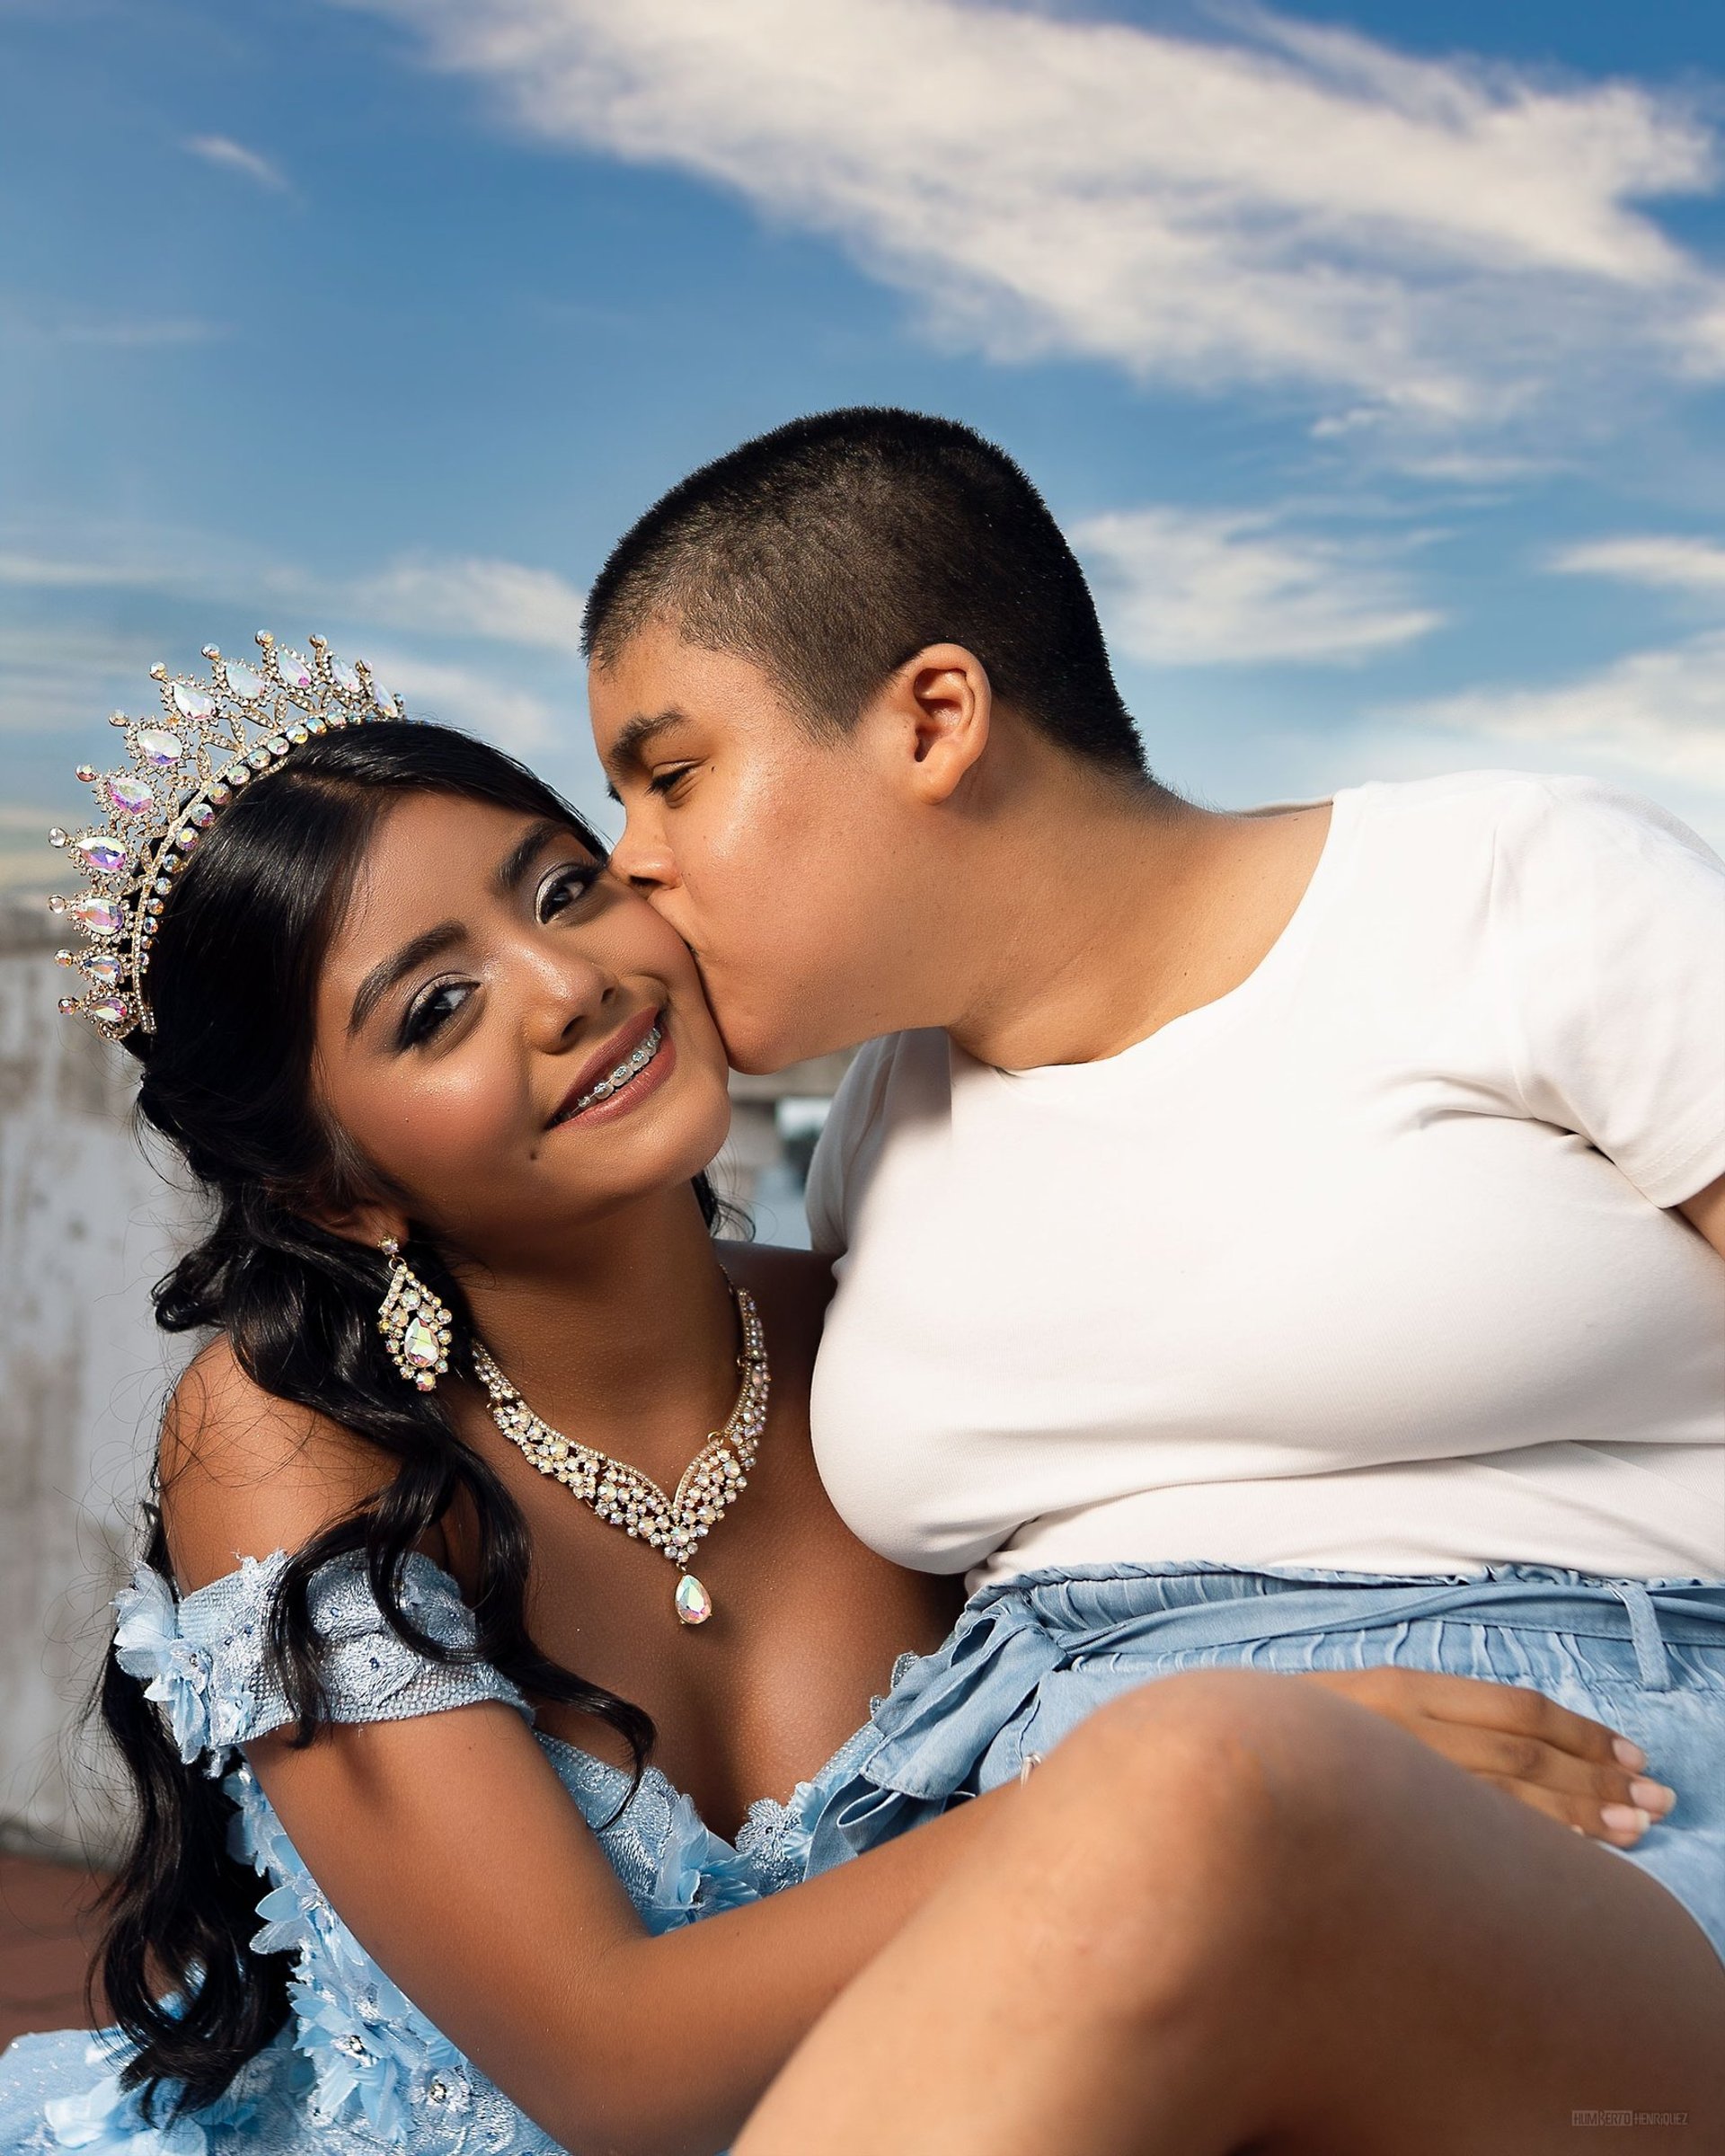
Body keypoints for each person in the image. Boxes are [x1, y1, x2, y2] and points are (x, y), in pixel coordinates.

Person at [0, 657, 1626, 2156]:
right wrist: (1206, 1791)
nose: (566, 984)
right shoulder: (284, 1442)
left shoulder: (899, 1343)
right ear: (329, 1182)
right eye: (435, 1009)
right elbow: (610, 2064)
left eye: (566, 888)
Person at [583, 408, 1725, 2150]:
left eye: (671, 774)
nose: (628, 864)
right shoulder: (884, 1119)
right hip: (1007, 1856)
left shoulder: (1517, 891)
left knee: (1192, 1771)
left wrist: (1236, 1749)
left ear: (933, 720)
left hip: (1599, 1808)